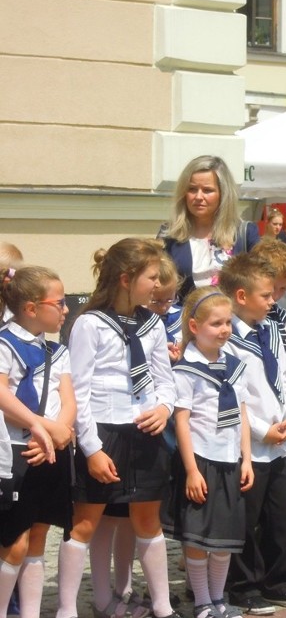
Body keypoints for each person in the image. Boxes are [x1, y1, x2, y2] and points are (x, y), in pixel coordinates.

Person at [59, 238, 179, 618]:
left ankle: (162, 607)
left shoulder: (153, 324)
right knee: (86, 523)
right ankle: (68, 608)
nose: (157, 286)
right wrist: (92, 449)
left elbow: (165, 378)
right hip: (104, 431)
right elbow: (78, 389)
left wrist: (164, 406)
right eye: (152, 278)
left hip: (145, 432)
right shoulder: (90, 323)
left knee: (147, 519)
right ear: (127, 279)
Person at [218, 253, 286, 612]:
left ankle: (278, 580)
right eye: (266, 296)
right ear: (241, 296)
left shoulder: (272, 329)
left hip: (279, 439)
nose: (273, 302)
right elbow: (229, 395)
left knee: (281, 515)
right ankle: (243, 585)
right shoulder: (225, 336)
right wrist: (259, 430)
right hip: (249, 445)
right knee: (246, 519)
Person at [166, 287, 254, 618]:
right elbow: (182, 423)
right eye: (216, 323)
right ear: (194, 327)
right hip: (201, 459)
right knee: (199, 538)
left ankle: (219, 599)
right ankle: (202, 601)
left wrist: (247, 458)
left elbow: (243, 415)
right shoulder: (186, 369)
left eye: (228, 322)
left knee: (225, 539)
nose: (224, 330)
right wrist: (190, 469)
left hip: (230, 459)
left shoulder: (236, 365)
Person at [0, 266, 76, 618]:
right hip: (17, 450)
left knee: (38, 538)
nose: (65, 310)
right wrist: (41, 426)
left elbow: (68, 397)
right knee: (13, 542)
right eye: (59, 303)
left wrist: (60, 431)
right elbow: (2, 394)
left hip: (51, 450)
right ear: (31, 308)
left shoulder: (57, 350)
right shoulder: (5, 343)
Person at [161, 155, 260, 304]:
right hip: (186, 323)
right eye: (192, 189)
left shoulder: (244, 233)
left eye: (207, 190)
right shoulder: (169, 235)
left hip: (233, 323)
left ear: (223, 194)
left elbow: (260, 283)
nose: (198, 197)